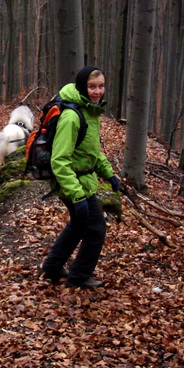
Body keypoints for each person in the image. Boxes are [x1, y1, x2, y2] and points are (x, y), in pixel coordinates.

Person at [41, 65, 120, 288]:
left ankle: (52, 268)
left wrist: (109, 174)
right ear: (81, 87)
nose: (97, 92)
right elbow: (59, 160)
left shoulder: (89, 111)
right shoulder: (72, 117)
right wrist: (76, 195)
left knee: (78, 225)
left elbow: (91, 152)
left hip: (81, 179)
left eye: (101, 86)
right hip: (72, 182)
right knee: (95, 229)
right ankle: (78, 277)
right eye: (92, 87)